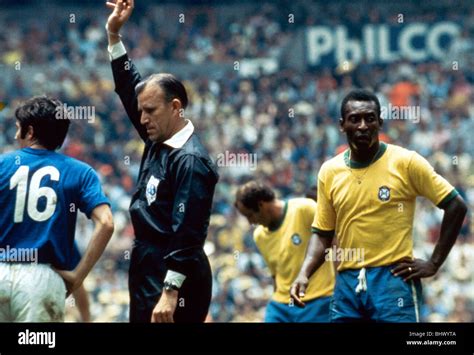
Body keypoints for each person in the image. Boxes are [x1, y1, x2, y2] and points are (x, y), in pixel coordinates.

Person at [290, 89, 467, 322]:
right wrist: (304, 273)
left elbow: (456, 205)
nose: (363, 125)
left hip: (393, 280)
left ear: (380, 123)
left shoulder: (406, 162)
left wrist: (434, 263)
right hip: (347, 283)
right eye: (355, 119)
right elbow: (323, 232)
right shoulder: (329, 171)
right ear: (342, 125)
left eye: (369, 118)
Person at [105, 0, 219, 323]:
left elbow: (189, 231)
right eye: (141, 111)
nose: (142, 119)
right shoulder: (159, 136)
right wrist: (114, 36)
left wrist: (170, 291)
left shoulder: (191, 161)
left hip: (173, 273)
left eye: (150, 112)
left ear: (176, 107)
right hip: (148, 263)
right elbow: (130, 89)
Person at [0, 96, 114, 322]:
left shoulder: (3, 164)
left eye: (18, 129)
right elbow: (107, 222)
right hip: (42, 280)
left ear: (30, 132)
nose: (15, 136)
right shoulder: (80, 171)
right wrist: (78, 276)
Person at [235, 181, 334, 322]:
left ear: (261, 205)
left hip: (317, 300)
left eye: (250, 215)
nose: (250, 222)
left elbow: (331, 241)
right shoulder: (259, 236)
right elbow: (276, 276)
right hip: (281, 306)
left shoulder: (305, 208)